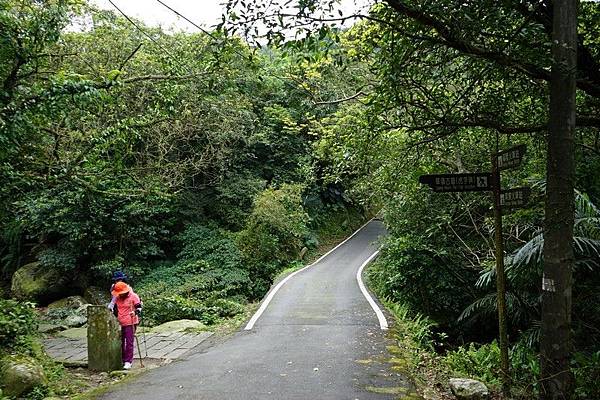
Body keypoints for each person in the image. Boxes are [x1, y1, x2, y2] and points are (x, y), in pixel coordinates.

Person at [111, 281, 142, 370]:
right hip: (120, 322)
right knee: (120, 342)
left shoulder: (133, 296)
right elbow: (114, 308)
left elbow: (139, 308)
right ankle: (122, 359)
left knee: (129, 342)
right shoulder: (117, 297)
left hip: (130, 322)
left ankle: (128, 361)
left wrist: (135, 312)